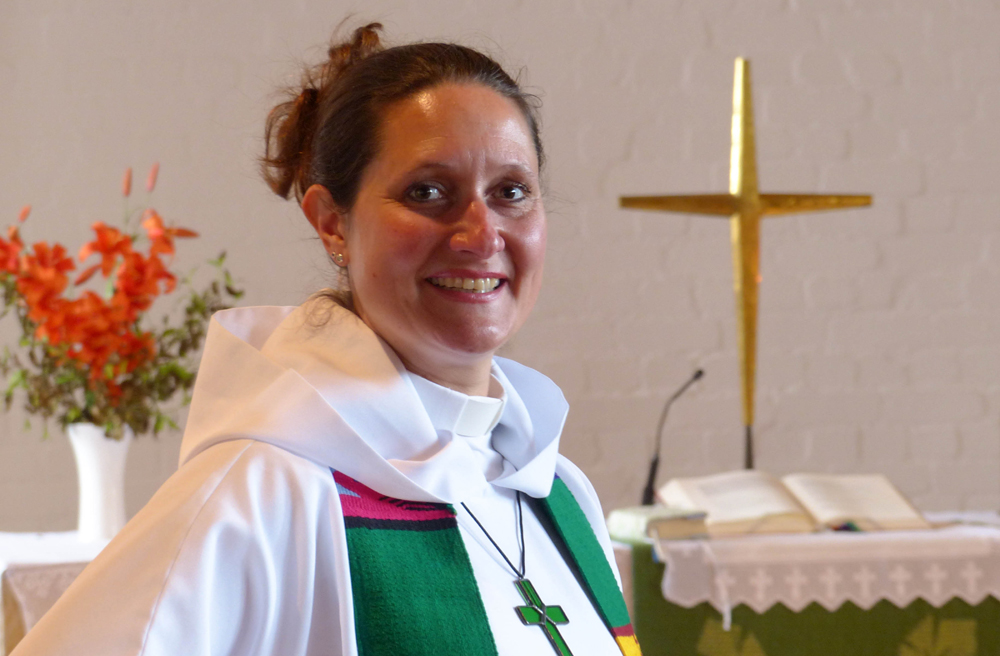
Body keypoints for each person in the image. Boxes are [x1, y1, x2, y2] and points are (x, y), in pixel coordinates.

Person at [12, 24, 641, 656]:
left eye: (511, 192)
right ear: (332, 223)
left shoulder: (556, 493)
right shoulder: (265, 491)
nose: (481, 234)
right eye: (428, 192)